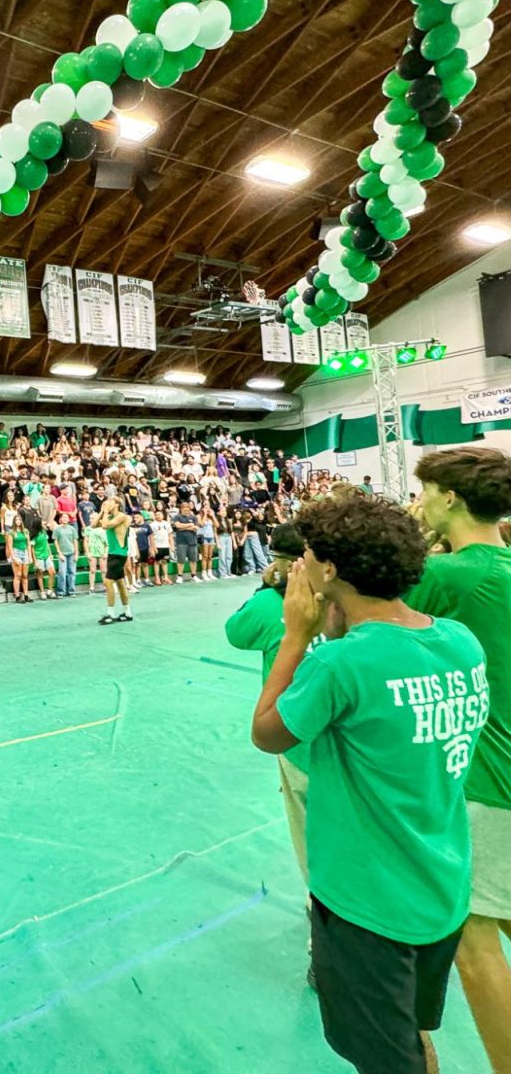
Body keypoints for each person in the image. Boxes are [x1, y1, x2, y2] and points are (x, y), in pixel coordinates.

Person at [251, 495, 487, 1074]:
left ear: (329, 570)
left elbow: (268, 733)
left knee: (386, 1059)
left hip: (366, 903)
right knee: (409, 1034)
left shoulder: (339, 665)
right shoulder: (457, 640)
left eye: (306, 557)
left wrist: (294, 633)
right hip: (440, 883)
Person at [406, 447, 511, 1071]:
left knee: (473, 941)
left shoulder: (448, 576)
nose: (417, 503)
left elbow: (355, 614)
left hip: (485, 778)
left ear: (449, 498)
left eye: (424, 492)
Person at [224, 524, 310, 885]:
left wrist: (263, 587)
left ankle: (320, 898)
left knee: (306, 819)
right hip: (346, 727)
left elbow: (236, 632)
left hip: (293, 728)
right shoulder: (341, 594)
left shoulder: (269, 602)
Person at [98, 497, 133, 624]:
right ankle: (127, 612)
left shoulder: (122, 516)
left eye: (110, 502)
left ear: (117, 504)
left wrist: (106, 512)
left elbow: (106, 526)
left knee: (108, 582)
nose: (107, 503)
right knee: (120, 582)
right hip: (113, 553)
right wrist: (102, 511)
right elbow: (93, 524)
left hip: (119, 553)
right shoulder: (110, 516)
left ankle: (110, 614)